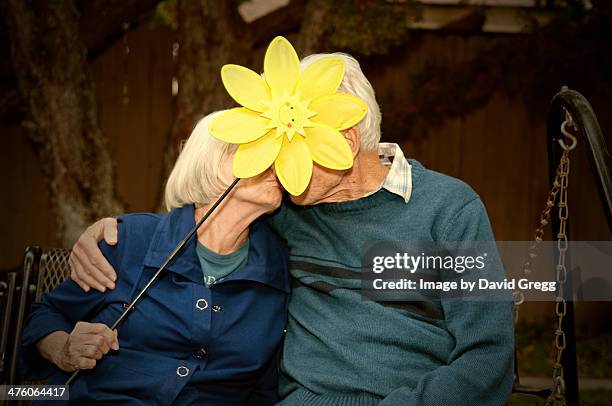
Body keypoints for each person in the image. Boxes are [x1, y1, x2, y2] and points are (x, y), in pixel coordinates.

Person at [69, 53, 515, 405]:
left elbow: (487, 356)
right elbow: (206, 221)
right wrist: (109, 231)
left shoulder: (449, 208)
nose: (275, 162)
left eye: (289, 144)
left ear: (343, 143)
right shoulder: (285, 210)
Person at [20, 112, 290, 405]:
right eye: (253, 146)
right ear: (210, 163)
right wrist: (63, 349)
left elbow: (264, 389)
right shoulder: (130, 239)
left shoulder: (281, 266)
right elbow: (45, 315)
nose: (273, 159)